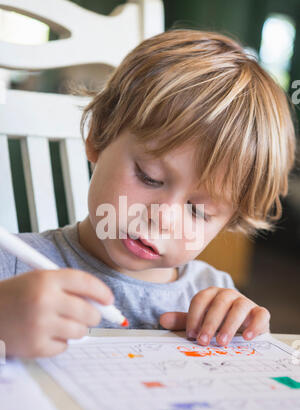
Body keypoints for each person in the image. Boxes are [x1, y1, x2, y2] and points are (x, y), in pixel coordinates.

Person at [0, 29, 296, 358]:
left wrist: (250, 340)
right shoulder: (12, 268)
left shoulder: (216, 294)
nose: (163, 217)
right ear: (99, 135)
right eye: (149, 176)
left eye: (199, 211)